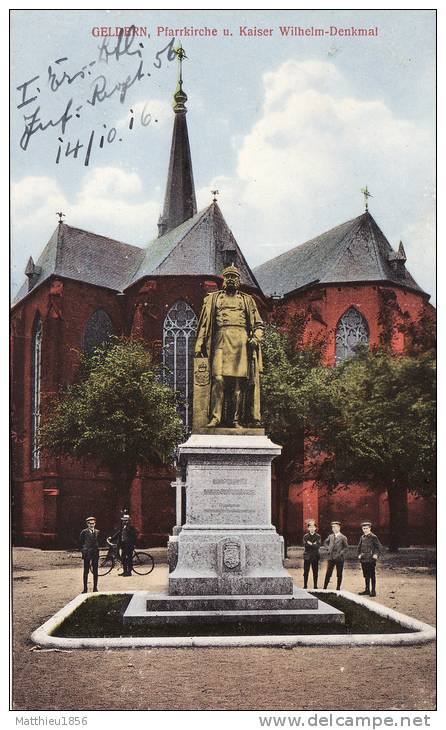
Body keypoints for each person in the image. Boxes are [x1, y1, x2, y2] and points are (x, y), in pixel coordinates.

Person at [193, 264, 264, 428]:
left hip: (241, 343)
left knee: (239, 384)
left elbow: (259, 325)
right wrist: (199, 344)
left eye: (234, 277)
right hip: (220, 340)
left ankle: (235, 420)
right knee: (218, 379)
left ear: (239, 280)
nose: (231, 279)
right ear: (224, 280)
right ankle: (215, 417)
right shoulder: (213, 299)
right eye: (228, 277)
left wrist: (256, 338)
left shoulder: (247, 300)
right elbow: (204, 324)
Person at [357, 521, 383, 597]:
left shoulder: (373, 537)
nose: (365, 530)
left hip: (371, 560)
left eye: (366, 528)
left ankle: (373, 591)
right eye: (363, 528)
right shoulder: (362, 537)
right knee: (366, 575)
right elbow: (359, 547)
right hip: (363, 559)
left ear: (370, 528)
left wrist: (375, 555)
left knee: (372, 575)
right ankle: (367, 590)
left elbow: (379, 547)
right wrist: (359, 555)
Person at [109, 512, 138, 577]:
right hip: (123, 545)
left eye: (126, 520)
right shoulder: (122, 527)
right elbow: (118, 533)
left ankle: (129, 572)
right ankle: (125, 571)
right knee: (123, 558)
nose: (125, 521)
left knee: (129, 558)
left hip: (129, 545)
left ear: (129, 520)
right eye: (124, 520)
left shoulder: (131, 527)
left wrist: (133, 544)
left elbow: (134, 536)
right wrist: (112, 538)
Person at [323, 521, 348, 590]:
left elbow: (346, 547)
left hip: (339, 558)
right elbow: (325, 542)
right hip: (331, 557)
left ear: (339, 528)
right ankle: (325, 587)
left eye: (335, 527)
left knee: (339, 573)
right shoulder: (330, 536)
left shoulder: (343, 537)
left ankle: (338, 587)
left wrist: (341, 553)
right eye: (332, 527)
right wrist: (328, 548)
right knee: (328, 573)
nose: (333, 529)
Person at [79, 516, 100, 593]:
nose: (91, 525)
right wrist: (83, 551)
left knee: (95, 571)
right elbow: (80, 543)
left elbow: (99, 542)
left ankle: (95, 588)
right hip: (87, 553)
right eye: (90, 523)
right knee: (86, 571)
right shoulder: (84, 532)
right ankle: (85, 589)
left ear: (95, 524)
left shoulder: (97, 532)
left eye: (93, 523)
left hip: (95, 553)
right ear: (87, 524)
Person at [303, 519, 321, 589]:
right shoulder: (305, 536)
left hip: (315, 556)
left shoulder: (318, 536)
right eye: (310, 527)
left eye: (313, 527)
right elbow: (305, 545)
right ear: (308, 528)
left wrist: (310, 543)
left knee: (315, 572)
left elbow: (318, 546)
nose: (312, 528)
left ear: (315, 528)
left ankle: (315, 586)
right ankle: (305, 585)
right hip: (307, 556)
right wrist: (313, 544)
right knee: (306, 572)